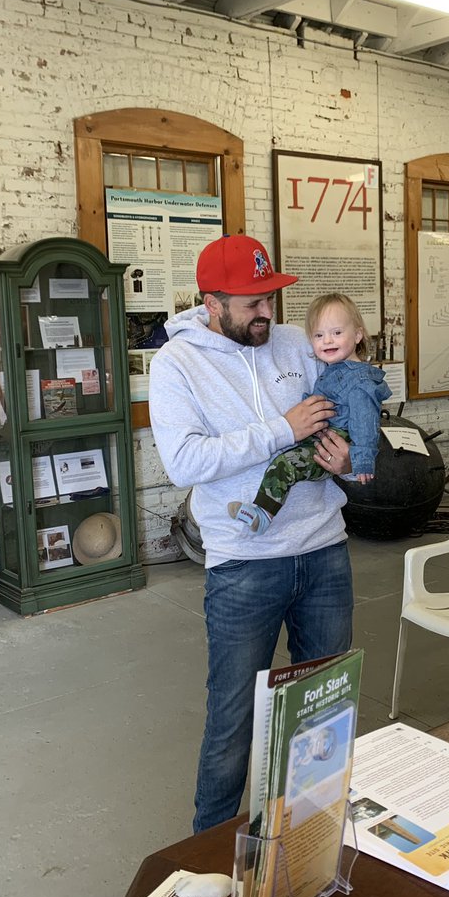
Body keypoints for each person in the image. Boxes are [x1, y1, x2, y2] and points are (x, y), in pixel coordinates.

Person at [148, 233, 354, 834]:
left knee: (324, 707)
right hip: (243, 564)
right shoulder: (177, 364)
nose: (268, 313)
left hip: (325, 551)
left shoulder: (292, 343)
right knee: (233, 722)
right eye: (252, 303)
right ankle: (208, 851)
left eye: (270, 298)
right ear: (212, 304)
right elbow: (184, 462)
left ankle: (312, 838)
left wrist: (348, 460)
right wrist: (282, 429)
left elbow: (339, 414)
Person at [228, 292, 391, 533]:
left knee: (285, 464)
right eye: (319, 335)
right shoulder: (335, 369)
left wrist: (362, 460)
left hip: (334, 441)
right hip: (320, 436)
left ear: (357, 335)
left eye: (337, 332)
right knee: (285, 460)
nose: (327, 341)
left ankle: (263, 515)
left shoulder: (360, 381)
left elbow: (365, 422)